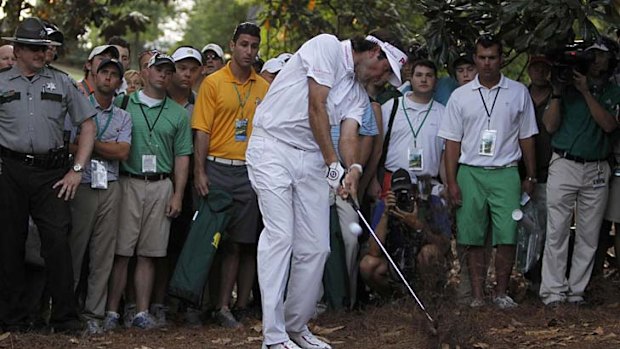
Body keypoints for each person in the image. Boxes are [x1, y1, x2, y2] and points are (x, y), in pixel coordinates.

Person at [247, 29, 407, 349]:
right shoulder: (327, 47)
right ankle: (273, 336)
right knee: (281, 237)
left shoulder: (358, 93)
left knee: (317, 247)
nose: (382, 78)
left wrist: (353, 170)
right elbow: (316, 105)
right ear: (375, 53)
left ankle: (295, 325)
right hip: (273, 148)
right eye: (385, 71)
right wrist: (333, 162)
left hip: (311, 159)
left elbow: (349, 135)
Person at [0, 17, 97, 333]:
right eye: (35, 49)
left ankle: (65, 317)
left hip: (51, 173)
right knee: (9, 242)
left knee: (56, 241)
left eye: (45, 48)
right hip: (9, 170)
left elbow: (88, 124)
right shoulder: (1, 82)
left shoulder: (63, 82)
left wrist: (77, 170)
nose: (42, 54)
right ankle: (13, 318)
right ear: (17, 50)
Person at [438, 34, 538, 309]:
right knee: (472, 236)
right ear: (475, 59)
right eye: (481, 58)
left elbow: (527, 136)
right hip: (470, 171)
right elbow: (451, 142)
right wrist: (452, 181)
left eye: (492, 57)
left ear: (501, 59)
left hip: (506, 170)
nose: (486, 63)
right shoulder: (460, 96)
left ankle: (501, 293)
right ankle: (479, 296)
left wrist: (530, 175)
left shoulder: (518, 92)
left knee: (508, 234)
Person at [103, 53, 192, 330]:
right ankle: (112, 312)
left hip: (161, 184)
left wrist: (178, 194)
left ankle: (142, 312)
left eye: (168, 71)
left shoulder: (178, 113)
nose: (163, 75)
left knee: (149, 253)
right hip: (128, 181)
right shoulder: (124, 103)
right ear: (145, 72)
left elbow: (182, 156)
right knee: (121, 252)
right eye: (158, 69)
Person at [193, 22, 269, 329]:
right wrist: (200, 170)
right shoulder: (213, 83)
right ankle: (196, 303)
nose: (249, 51)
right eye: (244, 45)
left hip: (249, 172)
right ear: (232, 45)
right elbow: (201, 130)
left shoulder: (264, 88)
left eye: (254, 46)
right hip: (216, 167)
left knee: (237, 243)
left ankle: (224, 306)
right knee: (207, 240)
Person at [540, 37, 620, 306]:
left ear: (611, 60)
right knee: (557, 230)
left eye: (602, 55)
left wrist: (587, 92)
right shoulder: (567, 87)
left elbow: (609, 125)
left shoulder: (612, 91)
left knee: (588, 233)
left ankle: (576, 292)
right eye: (592, 54)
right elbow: (550, 126)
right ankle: (552, 292)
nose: (596, 59)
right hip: (564, 162)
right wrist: (557, 92)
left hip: (597, 167)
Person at [68, 58, 132, 334]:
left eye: (113, 75)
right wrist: (99, 146)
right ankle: (65, 310)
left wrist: (90, 144)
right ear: (94, 76)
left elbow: (123, 153)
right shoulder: (79, 110)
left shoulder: (123, 116)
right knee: (74, 249)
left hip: (110, 186)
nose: (108, 78)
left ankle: (93, 312)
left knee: (103, 253)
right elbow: (69, 146)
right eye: (104, 72)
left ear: (119, 82)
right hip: (81, 184)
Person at [148, 45, 203, 326]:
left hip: (191, 184)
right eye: (182, 68)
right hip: (156, 180)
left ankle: (183, 302)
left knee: (186, 243)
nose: (187, 74)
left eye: (193, 69)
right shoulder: (157, 100)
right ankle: (156, 303)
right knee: (157, 247)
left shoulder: (201, 103)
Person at [360, 169, 450, 296]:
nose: (403, 196)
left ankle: (428, 297)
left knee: (430, 253)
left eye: (408, 191)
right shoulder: (384, 206)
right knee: (368, 265)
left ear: (416, 191)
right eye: (397, 192)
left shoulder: (432, 203)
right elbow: (374, 251)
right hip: (395, 263)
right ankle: (393, 299)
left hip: (421, 264)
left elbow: (445, 245)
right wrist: (385, 215)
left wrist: (419, 226)